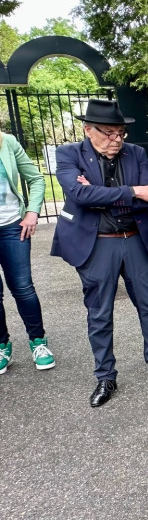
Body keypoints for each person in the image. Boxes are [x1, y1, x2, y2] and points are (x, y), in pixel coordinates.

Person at [52, 99, 148, 408]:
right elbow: (79, 194)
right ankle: (105, 376)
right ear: (88, 130)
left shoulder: (136, 153)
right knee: (100, 313)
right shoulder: (68, 155)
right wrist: (131, 191)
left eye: (121, 133)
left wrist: (102, 195)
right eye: (109, 133)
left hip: (134, 239)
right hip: (96, 243)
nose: (116, 140)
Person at [0, 131, 53, 374]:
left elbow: (36, 178)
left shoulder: (6, 142)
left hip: (12, 227)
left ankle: (38, 342)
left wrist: (32, 212)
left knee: (22, 287)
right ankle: (2, 346)